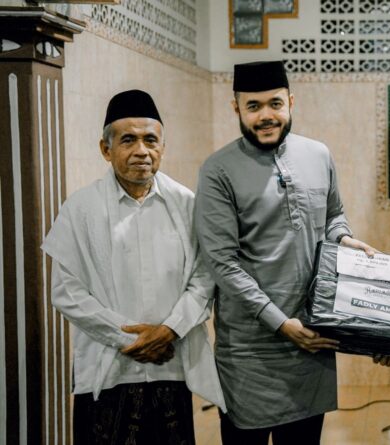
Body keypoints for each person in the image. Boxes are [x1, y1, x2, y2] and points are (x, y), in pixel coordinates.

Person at [194, 60, 375, 444]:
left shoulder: (319, 154)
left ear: (291, 101)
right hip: (250, 354)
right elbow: (223, 263)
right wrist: (282, 324)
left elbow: (334, 215)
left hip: (312, 339)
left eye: (275, 104)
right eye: (253, 106)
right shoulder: (218, 171)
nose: (266, 115)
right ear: (236, 108)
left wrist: (343, 239)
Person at [41, 89, 225, 444]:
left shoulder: (187, 204)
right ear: (106, 149)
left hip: (170, 367)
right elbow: (66, 292)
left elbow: (205, 278)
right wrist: (131, 339)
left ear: (162, 147)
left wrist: (169, 330)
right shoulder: (80, 209)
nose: (142, 150)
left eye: (150, 140)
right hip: (108, 370)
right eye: (128, 140)